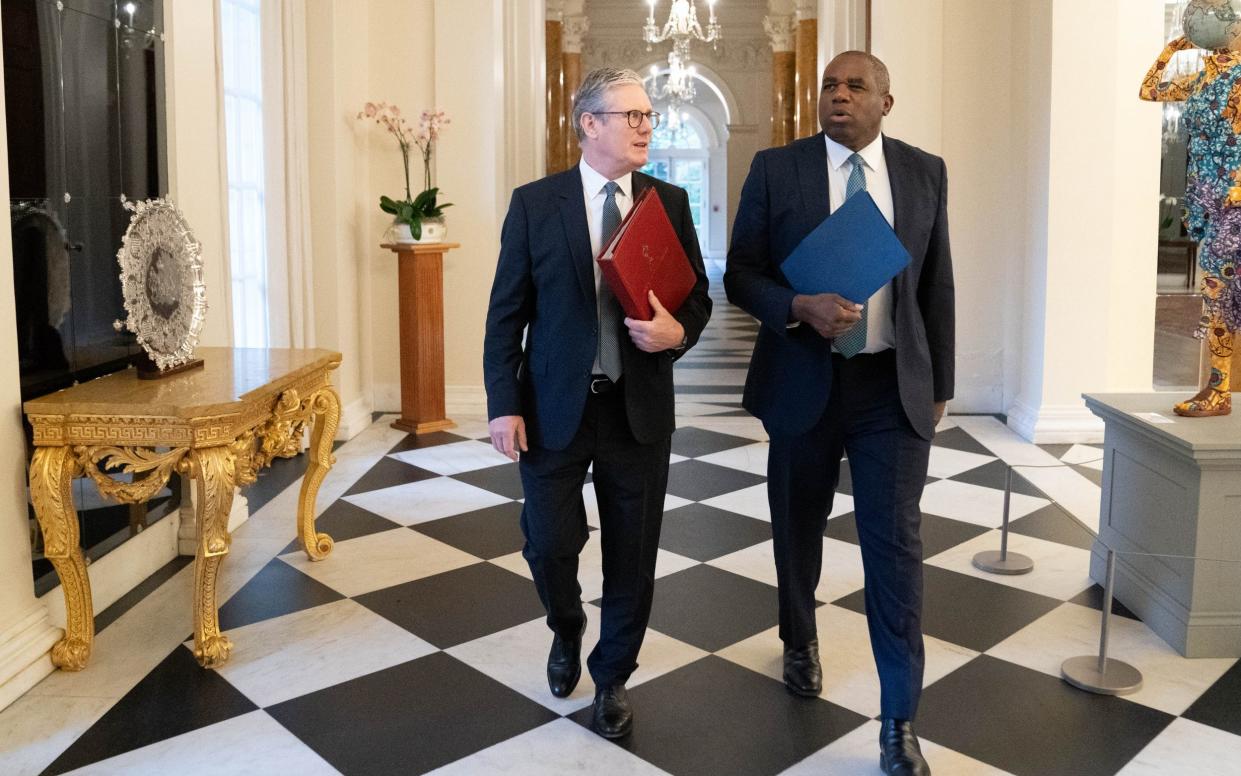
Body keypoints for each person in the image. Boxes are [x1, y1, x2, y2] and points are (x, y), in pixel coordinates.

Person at [725, 51, 953, 776]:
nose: (839, 96)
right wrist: (796, 306)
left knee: (894, 550)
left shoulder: (923, 172)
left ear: (887, 102)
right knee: (797, 529)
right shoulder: (776, 169)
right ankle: (799, 638)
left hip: (890, 389)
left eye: (855, 86)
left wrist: (939, 382)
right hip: (803, 382)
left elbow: (935, 281)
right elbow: (739, 274)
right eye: (829, 85)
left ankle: (898, 720)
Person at [483, 67, 711, 739]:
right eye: (631, 115)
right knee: (548, 544)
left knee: (632, 554)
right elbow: (505, 315)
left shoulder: (667, 202)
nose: (647, 125)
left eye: (647, 116)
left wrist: (679, 333)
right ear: (590, 124)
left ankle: (612, 676)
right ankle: (566, 625)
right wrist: (502, 403)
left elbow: (693, 296)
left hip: (636, 409)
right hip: (553, 406)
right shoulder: (536, 203)